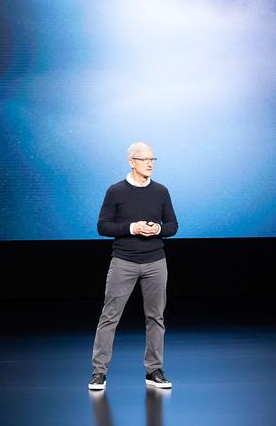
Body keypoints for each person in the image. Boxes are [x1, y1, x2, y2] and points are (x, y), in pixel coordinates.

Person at [88, 141, 178, 391]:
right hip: (124, 262)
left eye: (153, 159)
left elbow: (172, 225)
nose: (150, 163)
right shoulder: (115, 191)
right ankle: (99, 372)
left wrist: (158, 229)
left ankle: (154, 370)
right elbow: (102, 226)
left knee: (156, 317)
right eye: (145, 159)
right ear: (132, 162)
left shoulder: (161, 191)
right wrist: (131, 228)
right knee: (109, 317)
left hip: (155, 262)